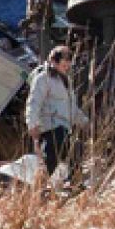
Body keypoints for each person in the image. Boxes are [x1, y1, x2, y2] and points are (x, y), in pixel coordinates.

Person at [26, 46, 88, 180]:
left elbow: (71, 107)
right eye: (64, 64)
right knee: (50, 160)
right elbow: (34, 102)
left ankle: (74, 184)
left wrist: (84, 121)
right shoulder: (43, 79)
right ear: (54, 62)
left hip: (64, 128)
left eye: (68, 64)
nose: (67, 67)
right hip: (51, 127)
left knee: (76, 150)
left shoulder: (66, 81)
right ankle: (37, 187)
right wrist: (32, 123)